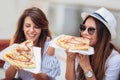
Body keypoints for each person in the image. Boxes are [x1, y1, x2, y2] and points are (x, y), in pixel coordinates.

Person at [3, 7, 60, 80]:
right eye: (28, 26)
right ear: (22, 28)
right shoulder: (17, 44)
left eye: (36, 26)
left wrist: (29, 63)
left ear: (42, 28)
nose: (31, 30)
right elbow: (8, 78)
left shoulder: (49, 45)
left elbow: (46, 78)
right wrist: (14, 63)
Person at [65, 7, 120, 80]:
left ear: (103, 35)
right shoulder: (81, 50)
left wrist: (86, 67)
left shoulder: (114, 59)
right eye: (83, 28)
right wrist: (70, 59)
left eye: (91, 30)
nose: (84, 33)